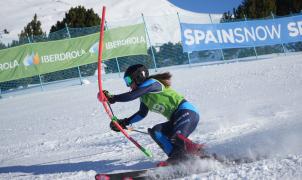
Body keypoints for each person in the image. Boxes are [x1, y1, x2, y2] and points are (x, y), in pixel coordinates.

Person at [100, 64, 202, 164]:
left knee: (177, 136)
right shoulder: (144, 96)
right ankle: (176, 158)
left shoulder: (152, 83)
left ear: (138, 77)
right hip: (175, 119)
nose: (128, 85)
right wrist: (124, 122)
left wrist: (112, 98)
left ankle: (200, 153)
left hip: (187, 112)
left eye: (128, 81)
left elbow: (132, 96)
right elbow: (142, 113)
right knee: (156, 132)